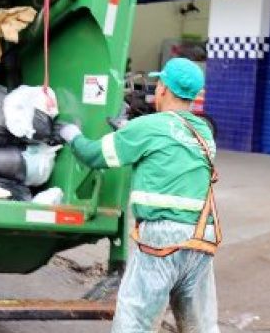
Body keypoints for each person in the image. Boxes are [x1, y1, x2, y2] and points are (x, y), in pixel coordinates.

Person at [57, 57, 221, 333]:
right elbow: (171, 149)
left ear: (163, 89)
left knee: (134, 324)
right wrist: (127, 132)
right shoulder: (204, 132)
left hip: (162, 240)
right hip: (201, 239)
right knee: (201, 327)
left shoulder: (147, 128)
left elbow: (93, 155)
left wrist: (71, 134)